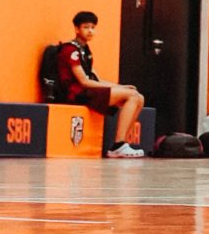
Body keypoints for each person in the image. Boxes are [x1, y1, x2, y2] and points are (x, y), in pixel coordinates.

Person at [54, 10, 145, 157]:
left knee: (139, 98)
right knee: (132, 96)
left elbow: (95, 78)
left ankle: (124, 143)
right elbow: (84, 81)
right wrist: (116, 89)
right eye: (86, 27)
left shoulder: (85, 50)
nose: (90, 31)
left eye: (93, 27)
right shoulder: (70, 50)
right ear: (77, 29)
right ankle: (118, 145)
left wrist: (120, 87)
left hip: (86, 91)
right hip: (75, 94)